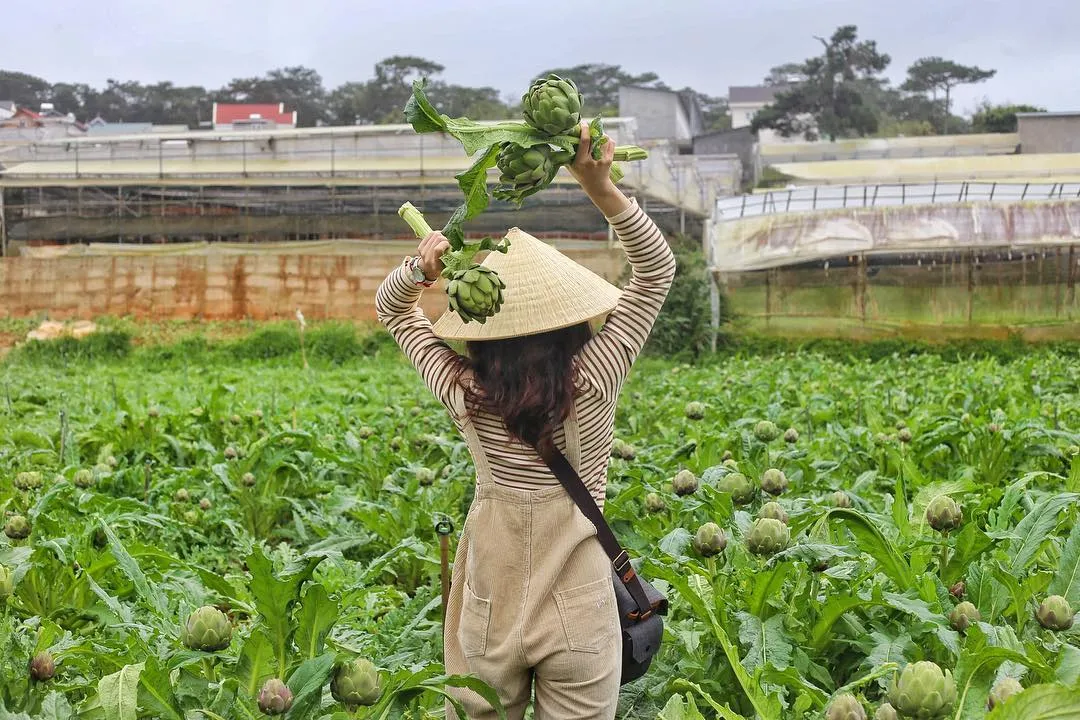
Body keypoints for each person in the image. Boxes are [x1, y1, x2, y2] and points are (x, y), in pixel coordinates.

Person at [375, 121, 676, 719]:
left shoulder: (466, 391)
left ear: (482, 334)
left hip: (492, 603)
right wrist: (600, 187)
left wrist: (420, 267)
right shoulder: (594, 377)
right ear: (572, 322)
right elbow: (656, 269)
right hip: (580, 605)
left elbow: (393, 310)